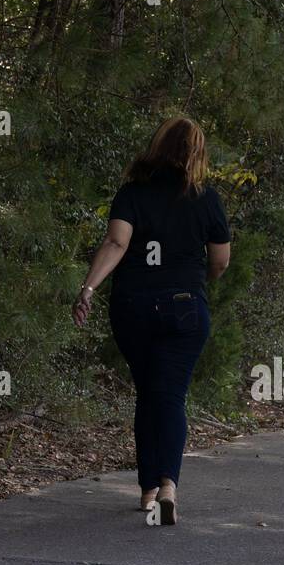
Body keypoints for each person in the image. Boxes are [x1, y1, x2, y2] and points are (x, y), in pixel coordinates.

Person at [73, 116, 231, 525]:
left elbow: (116, 242)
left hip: (134, 306)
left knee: (147, 393)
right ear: (197, 153)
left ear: (157, 147)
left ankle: (146, 491)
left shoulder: (132, 194)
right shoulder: (207, 199)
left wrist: (88, 288)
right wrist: (198, 282)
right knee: (171, 396)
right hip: (184, 306)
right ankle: (167, 487)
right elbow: (220, 262)